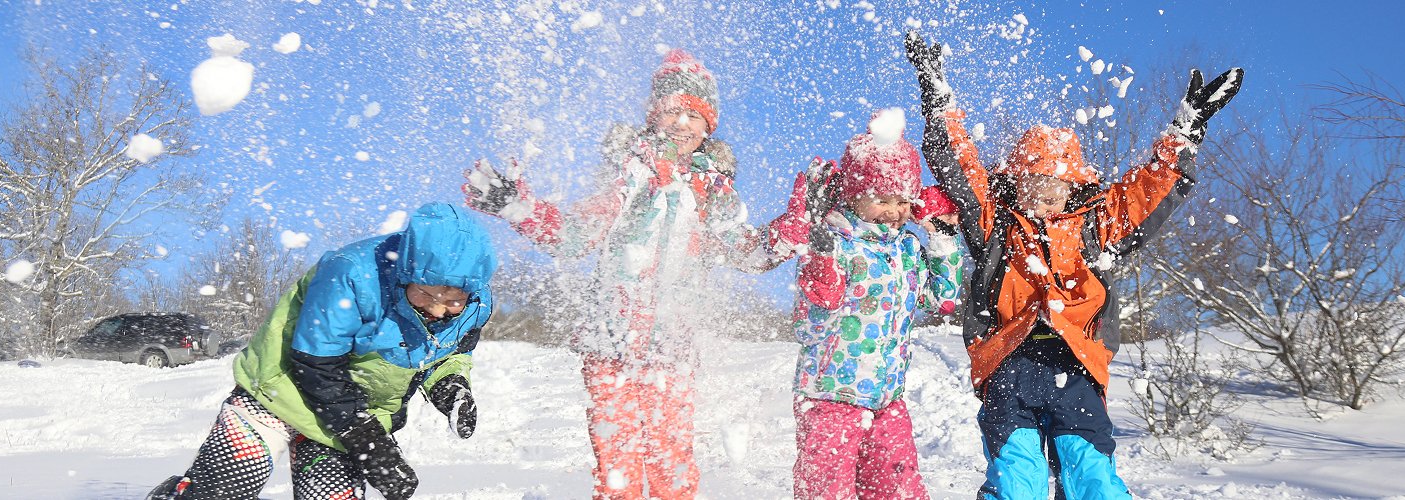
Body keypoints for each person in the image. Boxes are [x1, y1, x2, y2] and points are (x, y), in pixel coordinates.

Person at [903, 31, 1244, 499]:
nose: (1043, 193)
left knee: (1093, 481)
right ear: (1014, 184)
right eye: (1033, 181)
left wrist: (1183, 133)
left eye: (1055, 185)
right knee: (1016, 479)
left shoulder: (1093, 229)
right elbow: (958, 165)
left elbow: (1145, 196)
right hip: (1009, 365)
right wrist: (938, 98)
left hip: (1078, 367)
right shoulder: (996, 225)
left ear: (1074, 190)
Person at [462, 49, 795, 499]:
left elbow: (750, 254)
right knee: (616, 464)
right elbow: (576, 236)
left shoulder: (713, 189)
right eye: (673, 110)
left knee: (672, 463)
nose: (683, 123)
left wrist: (798, 226)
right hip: (612, 343)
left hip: (673, 350)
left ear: (709, 125)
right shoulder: (630, 171)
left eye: (695, 115)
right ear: (655, 115)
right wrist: (517, 207)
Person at [148, 202, 499, 500]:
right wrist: (369, 443)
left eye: (454, 299)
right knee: (225, 487)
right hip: (279, 389)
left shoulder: (476, 305)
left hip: (349, 413)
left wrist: (450, 388)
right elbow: (317, 365)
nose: (439, 310)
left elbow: (446, 353)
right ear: (407, 272)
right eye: (426, 295)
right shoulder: (352, 274)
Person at [781, 111, 964, 500]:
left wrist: (943, 240)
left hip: (887, 400)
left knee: (898, 487)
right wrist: (820, 258)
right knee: (828, 490)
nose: (894, 211)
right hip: (831, 396)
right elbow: (813, 315)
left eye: (902, 201)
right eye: (882, 199)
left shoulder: (909, 248)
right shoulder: (836, 243)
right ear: (855, 195)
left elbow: (942, 300)